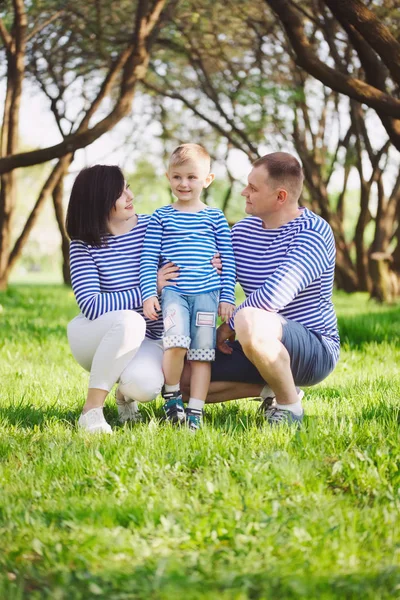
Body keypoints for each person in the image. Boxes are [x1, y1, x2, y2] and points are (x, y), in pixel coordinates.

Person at [197, 152, 340, 426]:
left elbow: (274, 296)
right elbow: (217, 273)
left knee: (249, 318)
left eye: (253, 188)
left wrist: (226, 328)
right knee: (188, 378)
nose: (244, 192)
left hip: (313, 347)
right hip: (255, 342)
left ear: (281, 197)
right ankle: (277, 387)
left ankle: (289, 409)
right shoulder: (242, 231)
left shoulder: (313, 232)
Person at [140, 144, 236, 431]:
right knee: (177, 342)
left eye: (192, 177)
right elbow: (148, 259)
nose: (184, 183)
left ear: (207, 180)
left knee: (202, 353)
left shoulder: (215, 217)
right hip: (174, 295)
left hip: (207, 297)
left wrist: (227, 296)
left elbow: (228, 259)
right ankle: (172, 394)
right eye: (177, 177)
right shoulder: (161, 216)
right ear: (168, 177)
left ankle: (196, 411)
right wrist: (148, 293)